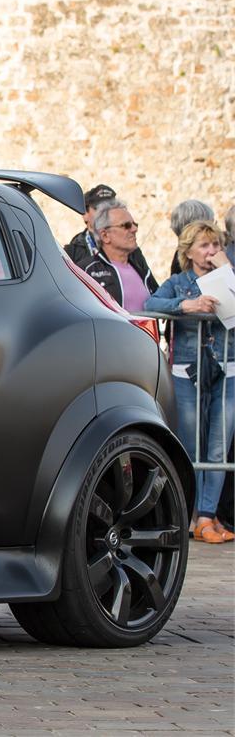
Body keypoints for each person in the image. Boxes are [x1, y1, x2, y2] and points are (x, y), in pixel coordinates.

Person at [144, 221, 234, 544]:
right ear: (189, 251)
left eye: (215, 245)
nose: (211, 251)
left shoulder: (228, 278)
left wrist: (227, 269)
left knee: (220, 443)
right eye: (204, 245)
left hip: (227, 367)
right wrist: (185, 306)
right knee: (191, 444)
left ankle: (208, 515)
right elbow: (150, 303)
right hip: (188, 369)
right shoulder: (179, 282)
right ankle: (195, 514)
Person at [82, 199, 157, 311]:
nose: (135, 229)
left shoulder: (140, 267)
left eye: (134, 224)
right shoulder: (86, 270)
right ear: (105, 235)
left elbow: (160, 298)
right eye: (126, 225)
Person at [64, 183, 117, 267]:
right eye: (100, 208)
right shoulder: (73, 252)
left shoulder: (128, 245)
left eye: (112, 207)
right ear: (85, 214)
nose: (107, 213)